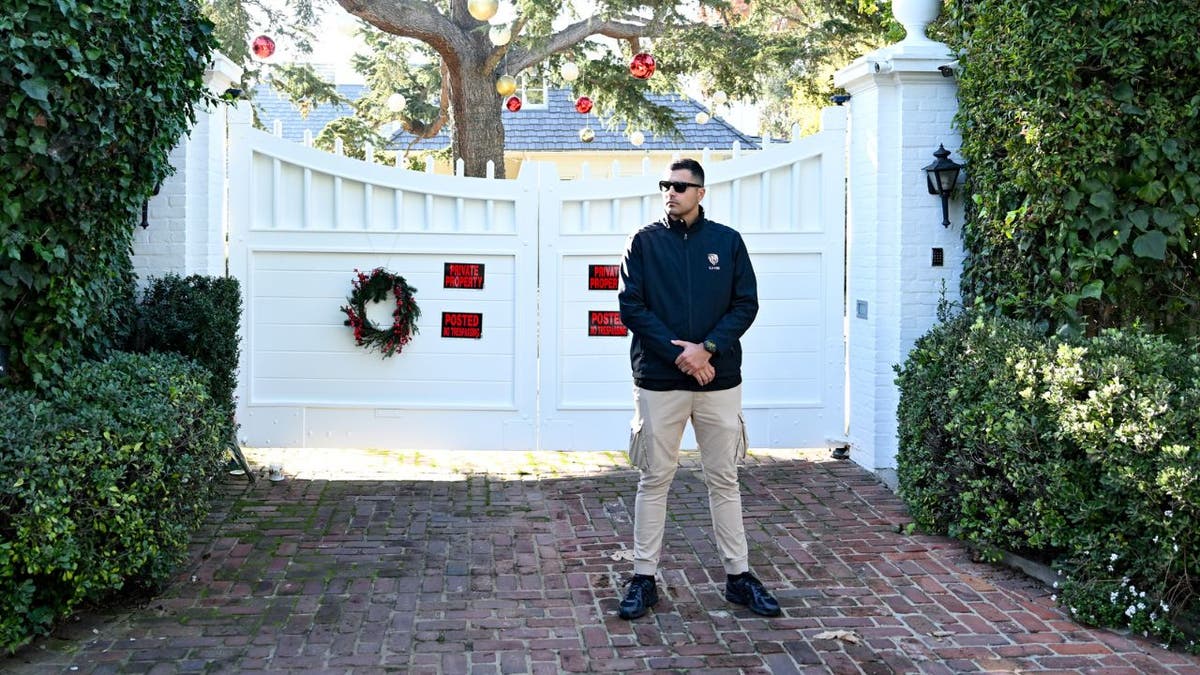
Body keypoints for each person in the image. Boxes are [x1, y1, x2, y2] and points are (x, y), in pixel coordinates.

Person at [615, 158, 780, 620]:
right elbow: (632, 307)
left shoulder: (726, 242)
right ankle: (643, 578)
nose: (671, 192)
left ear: (700, 193)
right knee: (654, 479)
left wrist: (707, 349)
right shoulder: (643, 243)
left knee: (724, 479)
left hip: (718, 379)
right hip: (660, 380)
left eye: (681, 186)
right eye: (666, 185)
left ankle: (739, 577)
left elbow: (745, 303)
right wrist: (682, 356)